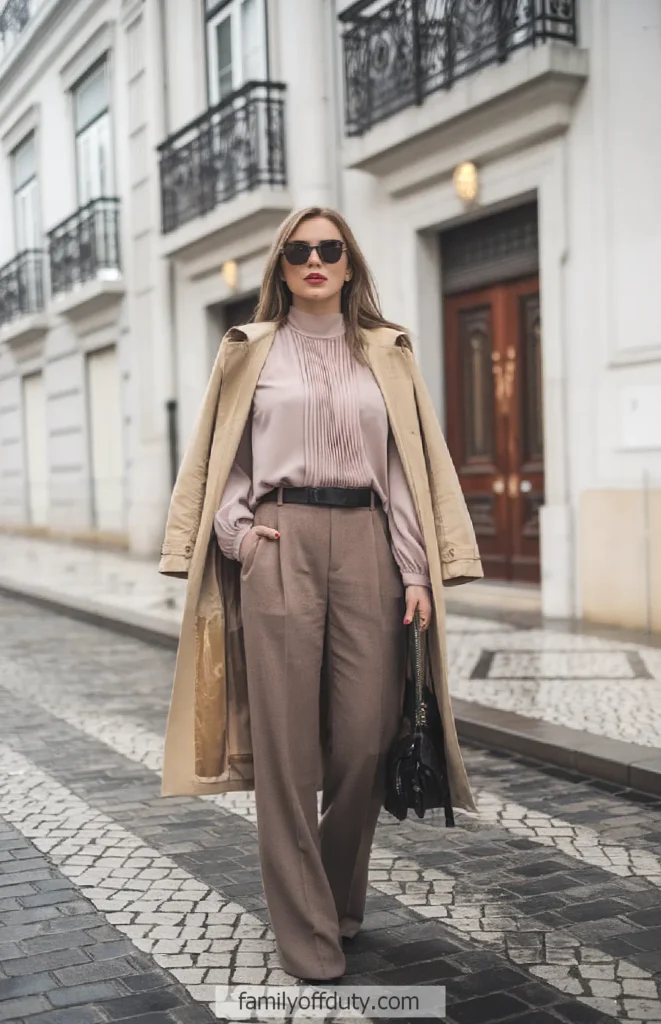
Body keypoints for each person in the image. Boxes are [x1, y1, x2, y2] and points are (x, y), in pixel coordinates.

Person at [157, 207, 483, 984]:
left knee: (367, 738)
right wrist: (238, 537)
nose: (313, 260)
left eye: (327, 249)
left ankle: (336, 896)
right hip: (279, 541)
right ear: (280, 266)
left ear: (347, 263)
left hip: (368, 543)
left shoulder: (386, 353)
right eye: (299, 250)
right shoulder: (249, 350)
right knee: (285, 748)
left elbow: (405, 469)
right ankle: (306, 932)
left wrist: (414, 570)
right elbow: (223, 456)